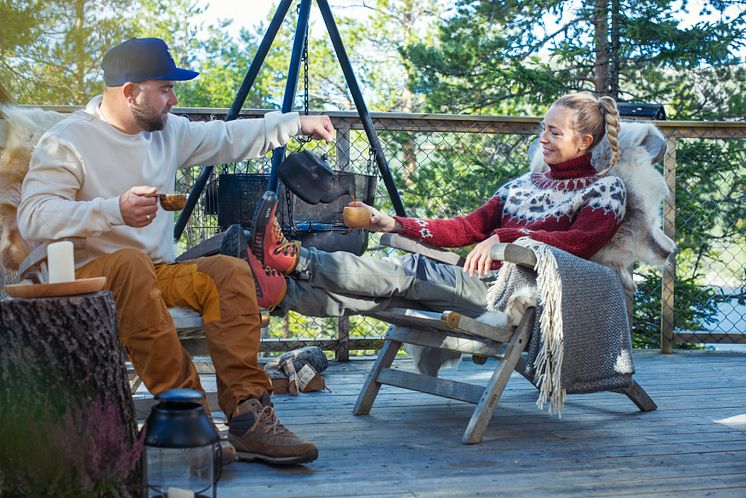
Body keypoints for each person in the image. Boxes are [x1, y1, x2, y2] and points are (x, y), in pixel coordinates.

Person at [17, 37, 334, 466]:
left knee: (228, 272)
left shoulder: (167, 131)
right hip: (89, 279)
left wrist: (296, 124)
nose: (174, 98)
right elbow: (34, 216)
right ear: (129, 92)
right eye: (164, 88)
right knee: (130, 264)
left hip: (155, 272)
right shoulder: (67, 141)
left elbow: (225, 137)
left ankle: (249, 417)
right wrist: (114, 210)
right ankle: (191, 419)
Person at [224, 92, 624, 327]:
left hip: (515, 295)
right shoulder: (522, 186)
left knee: (414, 271)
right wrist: (391, 222)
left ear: (585, 142)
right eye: (543, 129)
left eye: (555, 133)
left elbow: (579, 245)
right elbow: (465, 228)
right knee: (385, 298)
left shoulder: (605, 190)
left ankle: (297, 260)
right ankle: (280, 290)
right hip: (477, 283)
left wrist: (504, 238)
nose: (543, 140)